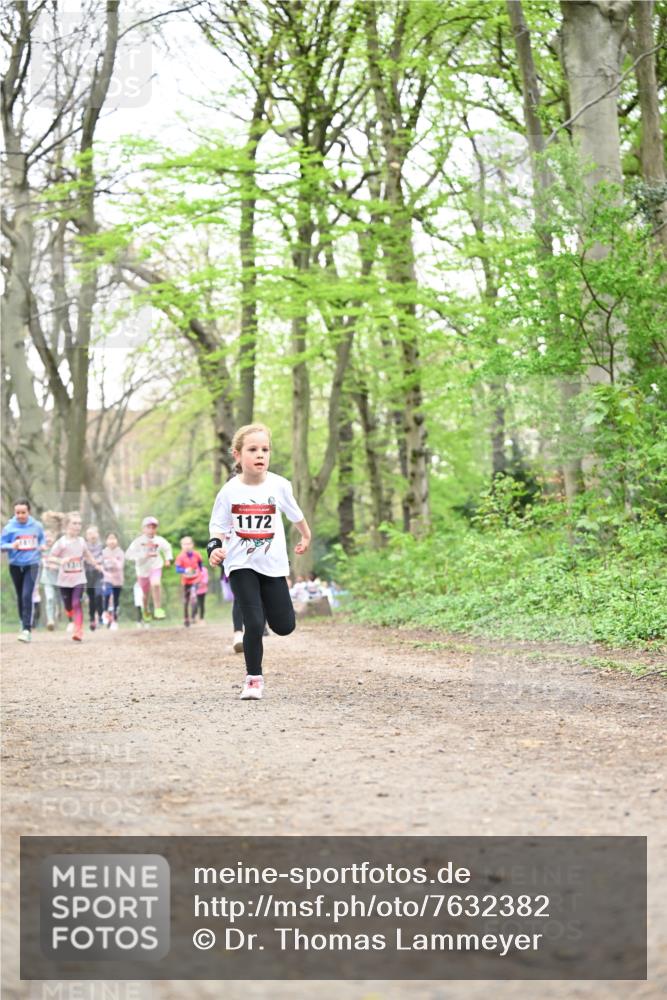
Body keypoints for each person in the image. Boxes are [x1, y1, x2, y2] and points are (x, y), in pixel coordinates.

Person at [208, 423, 311, 700]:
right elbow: (217, 526)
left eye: (264, 449)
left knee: (284, 626)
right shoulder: (229, 491)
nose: (260, 455)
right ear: (237, 455)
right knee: (253, 623)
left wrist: (306, 535)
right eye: (252, 449)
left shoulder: (280, 485)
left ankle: (261, 602)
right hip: (240, 563)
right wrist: (214, 548)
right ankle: (253, 680)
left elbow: (295, 513)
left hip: (273, 564)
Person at [50, 511, 102, 642]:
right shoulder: (61, 543)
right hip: (64, 580)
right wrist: (60, 561)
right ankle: (68, 612)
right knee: (68, 605)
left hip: (79, 578)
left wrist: (95, 564)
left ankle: (78, 631)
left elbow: (87, 554)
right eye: (74, 523)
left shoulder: (81, 541)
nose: (78, 526)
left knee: (76, 602)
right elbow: (51, 557)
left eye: (79, 523)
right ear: (67, 525)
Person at [1, 499, 45, 643]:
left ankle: (27, 629)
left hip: (32, 564)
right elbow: (1, 545)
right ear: (14, 513)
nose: (20, 515)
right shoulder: (9, 527)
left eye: (23, 512)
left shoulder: (36, 526)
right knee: (20, 595)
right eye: (17, 513)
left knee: (27, 595)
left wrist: (43, 546)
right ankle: (23, 621)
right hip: (15, 565)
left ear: (29, 512)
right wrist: (11, 545)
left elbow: (42, 539)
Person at [125, 516, 172, 621]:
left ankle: (158, 609)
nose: (151, 530)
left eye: (153, 527)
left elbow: (167, 548)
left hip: (155, 567)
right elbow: (128, 555)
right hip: (142, 571)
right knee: (145, 594)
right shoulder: (138, 542)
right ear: (143, 529)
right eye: (148, 527)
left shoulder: (159, 540)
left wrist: (168, 559)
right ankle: (145, 609)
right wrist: (142, 555)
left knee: (156, 584)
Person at [174, 536, 202, 628]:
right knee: (186, 600)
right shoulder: (180, 557)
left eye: (189, 543)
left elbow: (200, 564)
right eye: (185, 544)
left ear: (192, 545)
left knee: (194, 597)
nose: (187, 546)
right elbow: (177, 569)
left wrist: (200, 572)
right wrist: (185, 570)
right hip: (186, 581)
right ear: (181, 546)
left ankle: (194, 616)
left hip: (196, 579)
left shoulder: (197, 554)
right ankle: (186, 618)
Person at [101, 532, 124, 630]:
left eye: (114, 538)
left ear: (117, 541)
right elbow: (100, 565)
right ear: (106, 541)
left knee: (115, 600)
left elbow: (120, 566)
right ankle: (105, 612)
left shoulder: (120, 552)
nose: (112, 541)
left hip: (118, 579)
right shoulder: (103, 552)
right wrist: (104, 572)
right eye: (109, 539)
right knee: (107, 594)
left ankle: (114, 620)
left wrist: (114, 560)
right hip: (107, 578)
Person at [84, 525, 104, 631]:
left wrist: (99, 563)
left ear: (98, 534)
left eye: (94, 533)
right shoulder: (84, 546)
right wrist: (92, 562)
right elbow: (84, 558)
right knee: (91, 598)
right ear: (86, 536)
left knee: (98, 594)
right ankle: (92, 619)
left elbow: (104, 556)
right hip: (88, 574)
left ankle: (100, 615)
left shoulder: (101, 546)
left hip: (98, 574)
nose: (92, 536)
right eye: (89, 534)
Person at [41, 529, 61, 630]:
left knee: (58, 599)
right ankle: (50, 620)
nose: (48, 539)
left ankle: (59, 610)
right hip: (47, 578)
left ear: (54, 538)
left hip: (59, 578)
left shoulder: (59, 549)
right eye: (46, 537)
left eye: (50, 536)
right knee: (49, 598)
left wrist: (57, 565)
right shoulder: (41, 549)